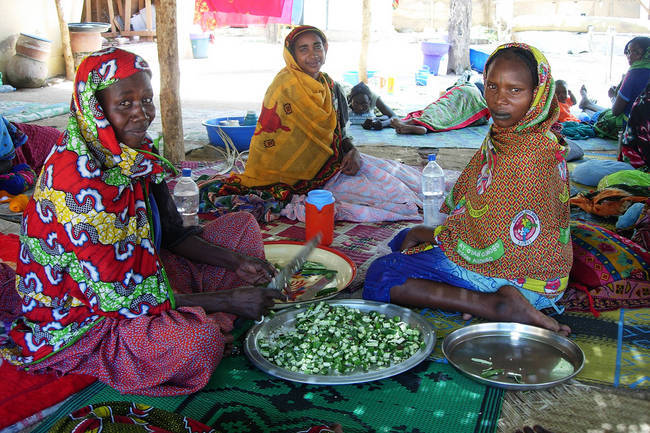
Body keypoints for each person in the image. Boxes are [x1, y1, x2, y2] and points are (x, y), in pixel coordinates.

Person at [0, 48, 281, 396]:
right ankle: (202, 317)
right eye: (125, 104)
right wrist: (228, 300)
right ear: (96, 108)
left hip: (143, 271)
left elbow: (173, 235)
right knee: (194, 343)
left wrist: (238, 263)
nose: (141, 114)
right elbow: (120, 298)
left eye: (146, 100)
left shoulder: (138, 156)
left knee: (241, 228)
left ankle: (196, 308)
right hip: (89, 316)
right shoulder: (78, 183)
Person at [364, 43, 572, 336]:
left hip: (525, 280)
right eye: (492, 86)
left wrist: (432, 234)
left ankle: (495, 306)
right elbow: (487, 220)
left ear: (538, 94)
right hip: (533, 268)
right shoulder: (524, 134)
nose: (500, 100)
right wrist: (431, 234)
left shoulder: (526, 156)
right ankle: (480, 294)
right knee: (404, 239)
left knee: (382, 275)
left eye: (515, 90)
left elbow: (491, 242)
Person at [214, 25, 422, 223]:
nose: (313, 55)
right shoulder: (284, 87)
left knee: (395, 176)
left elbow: (339, 131)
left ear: (325, 48)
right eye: (303, 49)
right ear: (292, 54)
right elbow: (275, 138)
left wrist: (353, 151)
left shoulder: (329, 85)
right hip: (287, 175)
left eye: (317, 46)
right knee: (384, 196)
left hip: (331, 162)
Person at [579, 36, 650, 139]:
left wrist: (613, 97)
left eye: (636, 52)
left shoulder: (633, 74)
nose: (630, 56)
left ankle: (587, 103)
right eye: (629, 52)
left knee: (598, 116)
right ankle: (587, 103)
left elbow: (616, 111)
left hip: (632, 129)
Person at [390, 78, 490, 135]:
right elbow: (479, 120)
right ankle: (421, 127)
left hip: (461, 91)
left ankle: (407, 122)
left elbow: (449, 90)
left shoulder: (469, 86)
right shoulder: (482, 106)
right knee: (445, 118)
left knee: (438, 108)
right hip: (471, 97)